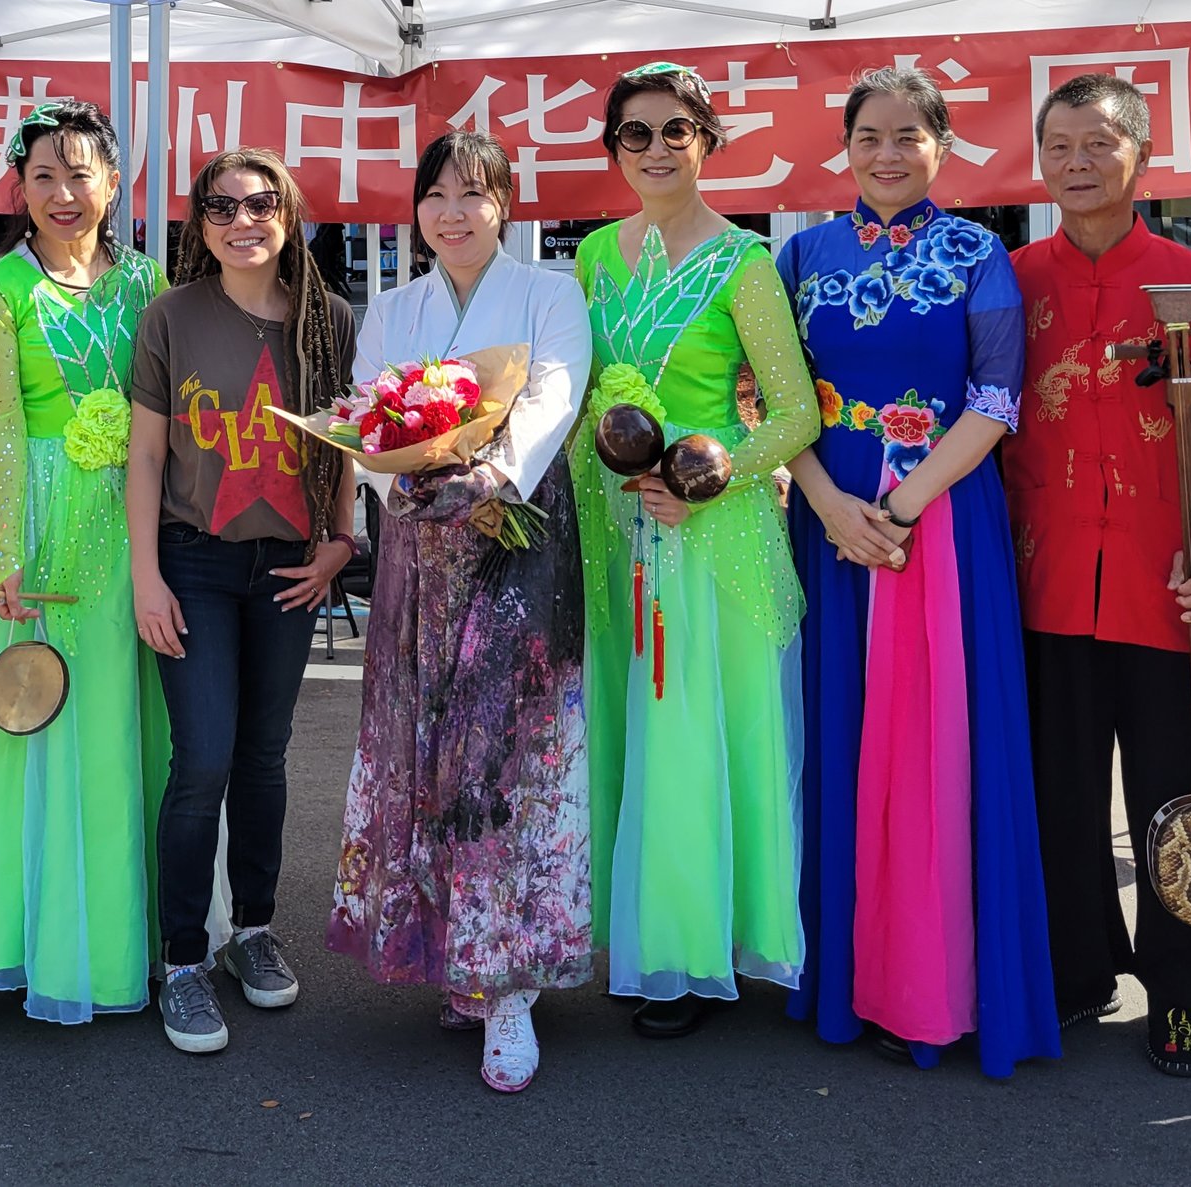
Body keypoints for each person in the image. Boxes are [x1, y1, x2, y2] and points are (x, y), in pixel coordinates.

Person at [1002, 74, 1191, 1079]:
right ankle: (1079, 974)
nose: (1076, 165)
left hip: (1164, 593)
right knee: (1058, 799)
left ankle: (1181, 997)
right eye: (1059, 148)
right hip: (1040, 592)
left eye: (1097, 145)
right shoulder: (1012, 281)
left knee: (1182, 803)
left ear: (1139, 154)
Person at [775, 67, 1059, 1076]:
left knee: (935, 746)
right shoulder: (800, 254)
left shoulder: (981, 253)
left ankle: (929, 983)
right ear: (842, 147)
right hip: (828, 511)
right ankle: (837, 975)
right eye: (868, 137)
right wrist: (825, 504)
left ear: (944, 144)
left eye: (909, 136)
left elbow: (994, 399)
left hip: (937, 512)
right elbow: (770, 401)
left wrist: (893, 510)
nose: (887, 154)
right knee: (837, 735)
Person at [328, 130, 594, 1093]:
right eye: (436, 194)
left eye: (474, 194)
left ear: (506, 204)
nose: (453, 211)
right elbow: (366, 417)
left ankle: (511, 983)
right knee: (427, 750)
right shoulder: (392, 307)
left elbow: (556, 389)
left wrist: (494, 467)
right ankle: (460, 957)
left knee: (505, 755)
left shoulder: (551, 291)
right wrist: (390, 473)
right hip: (418, 544)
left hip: (516, 540)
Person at [570, 62, 817, 1038]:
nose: (657, 149)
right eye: (635, 133)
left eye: (676, 130)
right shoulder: (592, 257)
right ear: (613, 150)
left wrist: (701, 479)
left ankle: (684, 951)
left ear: (706, 141)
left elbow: (794, 413)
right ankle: (638, 933)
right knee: (635, 734)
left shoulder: (745, 265)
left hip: (708, 535)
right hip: (613, 529)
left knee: (696, 739)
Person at [128, 148, 359, 1054]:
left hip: (292, 568)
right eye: (221, 206)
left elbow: (345, 442)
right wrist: (147, 575)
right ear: (200, 223)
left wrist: (343, 544)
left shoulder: (329, 320)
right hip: (193, 563)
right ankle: (185, 957)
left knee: (265, 755)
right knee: (203, 758)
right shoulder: (171, 317)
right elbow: (147, 456)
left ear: (288, 213)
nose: (243, 218)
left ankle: (253, 930)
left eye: (261, 203)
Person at [0, 100, 168, 1022]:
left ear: (114, 182)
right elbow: (2, 425)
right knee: (39, 721)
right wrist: (7, 555)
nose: (63, 192)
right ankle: (34, 939)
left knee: (130, 719)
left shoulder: (149, 283)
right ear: (21, 188)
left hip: (140, 519)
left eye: (81, 172)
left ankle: (143, 935)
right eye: (42, 174)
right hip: (42, 516)